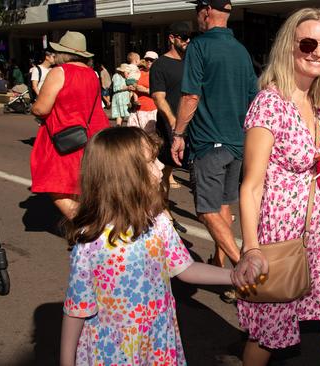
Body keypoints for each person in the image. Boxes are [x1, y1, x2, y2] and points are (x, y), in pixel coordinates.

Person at [230, 8, 320, 365]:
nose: (318, 52)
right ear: (289, 47)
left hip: (317, 226)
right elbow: (251, 186)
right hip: (278, 233)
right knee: (268, 336)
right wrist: (252, 248)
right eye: (308, 43)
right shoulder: (269, 104)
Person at [59, 127, 233, 366]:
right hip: (112, 352)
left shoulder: (158, 221)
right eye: (152, 161)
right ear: (127, 176)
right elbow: (77, 309)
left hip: (156, 341)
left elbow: (185, 269)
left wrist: (233, 276)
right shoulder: (91, 241)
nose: (161, 167)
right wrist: (66, 361)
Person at [171, 0, 257, 269]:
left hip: (209, 142)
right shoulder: (241, 51)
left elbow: (190, 96)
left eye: (198, 10)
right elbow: (253, 98)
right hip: (236, 143)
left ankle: (245, 270)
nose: (196, 16)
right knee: (222, 206)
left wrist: (178, 134)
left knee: (206, 211)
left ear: (206, 11)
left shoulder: (199, 45)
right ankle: (220, 264)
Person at [30, 31, 109, 219]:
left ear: (63, 53)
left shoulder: (59, 72)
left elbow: (41, 109)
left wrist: (34, 107)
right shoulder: (92, 74)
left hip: (66, 134)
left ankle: (86, 227)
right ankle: (94, 224)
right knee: (86, 183)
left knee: (53, 182)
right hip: (92, 134)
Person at [151, 21, 192, 234]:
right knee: (164, 171)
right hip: (169, 128)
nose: (187, 41)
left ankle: (213, 211)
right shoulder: (160, 65)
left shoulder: (191, 62)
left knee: (196, 167)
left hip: (193, 127)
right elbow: (159, 97)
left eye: (189, 37)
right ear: (172, 38)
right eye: (183, 37)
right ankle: (164, 213)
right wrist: (174, 121)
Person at [126, 58, 158, 132]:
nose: (149, 61)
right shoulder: (138, 73)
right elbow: (129, 85)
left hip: (151, 110)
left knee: (149, 136)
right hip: (136, 109)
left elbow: (161, 92)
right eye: (147, 60)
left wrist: (145, 90)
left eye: (152, 60)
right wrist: (131, 87)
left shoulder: (158, 74)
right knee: (133, 136)